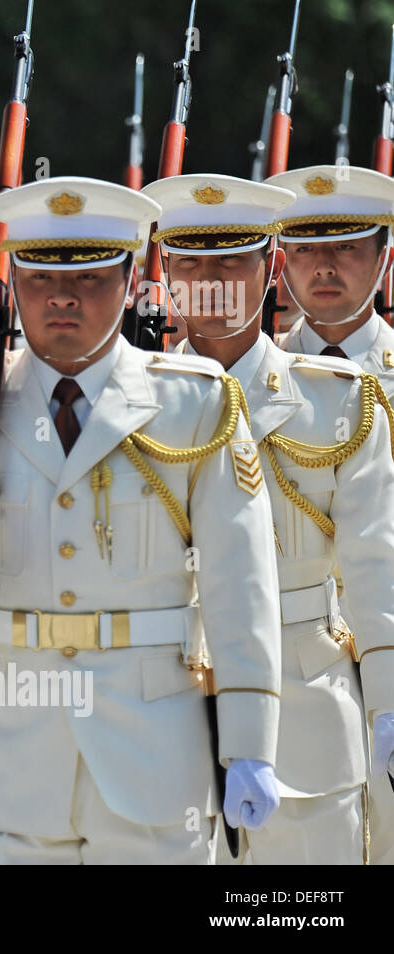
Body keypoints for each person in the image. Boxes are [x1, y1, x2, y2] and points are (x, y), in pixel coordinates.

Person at [0, 177, 284, 863]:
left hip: (154, 756)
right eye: (40, 278)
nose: (63, 298)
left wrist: (251, 742)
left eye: (92, 278)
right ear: (14, 283)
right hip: (14, 759)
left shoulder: (193, 402)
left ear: (134, 280)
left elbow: (239, 582)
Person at [146, 173, 394, 863]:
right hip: (168, 710)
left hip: (307, 711)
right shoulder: (132, 405)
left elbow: (375, 566)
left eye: (230, 261)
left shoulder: (341, 403)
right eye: (190, 264)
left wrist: (389, 698)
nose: (210, 282)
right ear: (166, 276)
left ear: (270, 269)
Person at [267, 164, 394, 863]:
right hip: (300, 647)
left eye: (345, 247)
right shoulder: (251, 379)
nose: (324, 267)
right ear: (282, 261)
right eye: (307, 249)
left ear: (383, 257)